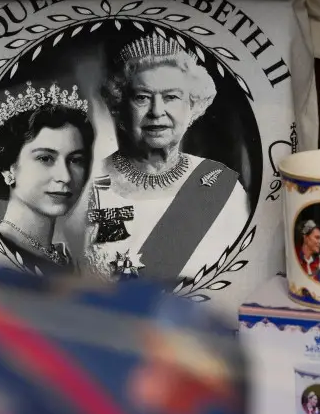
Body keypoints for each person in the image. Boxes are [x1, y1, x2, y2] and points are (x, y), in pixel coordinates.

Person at [84, 33, 250, 281]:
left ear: (192, 107)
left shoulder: (224, 187)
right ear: (119, 106)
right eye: (142, 97)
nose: (157, 111)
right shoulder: (86, 181)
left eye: (171, 97)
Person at [0, 81, 94, 273]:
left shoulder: (66, 258)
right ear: (8, 169)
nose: (65, 177)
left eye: (75, 160)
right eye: (45, 158)